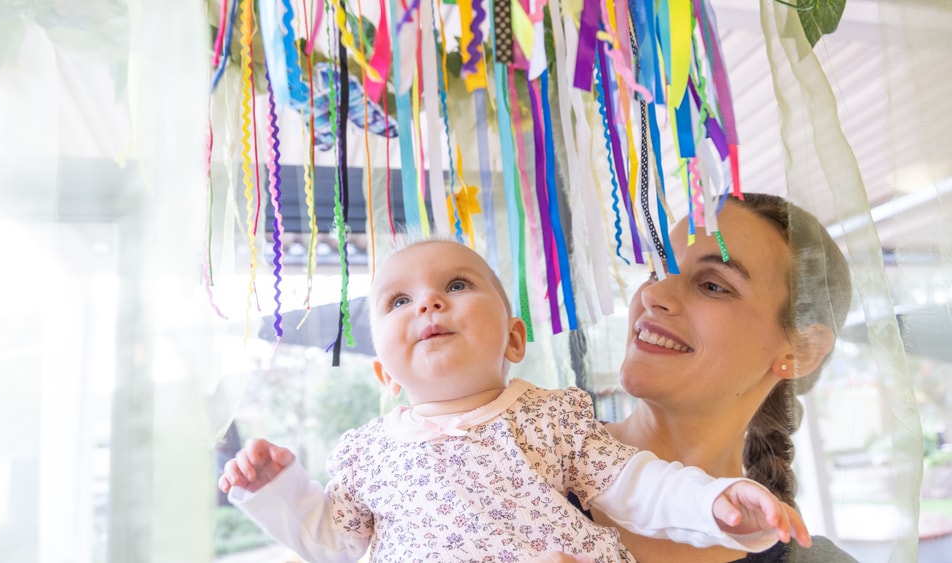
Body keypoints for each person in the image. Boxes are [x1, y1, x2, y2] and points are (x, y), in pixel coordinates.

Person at [218, 238, 812, 563]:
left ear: (513, 337)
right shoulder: (366, 453)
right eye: (398, 301)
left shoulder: (552, 417)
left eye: (456, 286)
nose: (428, 303)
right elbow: (337, 544)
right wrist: (275, 491)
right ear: (384, 373)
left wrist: (715, 503)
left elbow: (639, 485)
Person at [589, 193, 857, 562]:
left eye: (713, 285)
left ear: (802, 350)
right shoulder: (517, 459)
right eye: (657, 271)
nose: (653, 293)